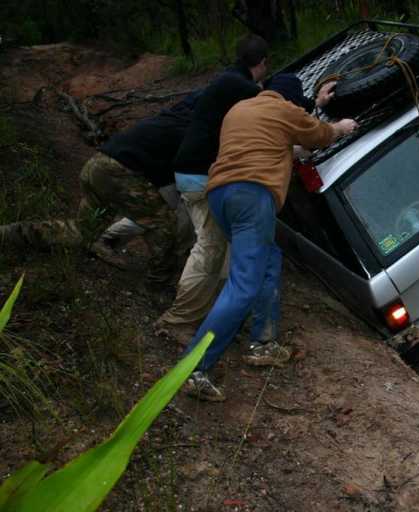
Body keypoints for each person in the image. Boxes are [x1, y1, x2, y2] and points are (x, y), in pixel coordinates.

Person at [182, 74, 358, 401]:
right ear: (290, 98)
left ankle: (262, 342)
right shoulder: (284, 109)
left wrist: (294, 151)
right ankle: (195, 367)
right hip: (252, 195)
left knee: (268, 259)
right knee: (243, 285)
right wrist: (341, 128)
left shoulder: (240, 110)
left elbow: (269, 148)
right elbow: (319, 135)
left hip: (220, 194)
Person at [153, 34, 337, 343]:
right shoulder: (245, 90)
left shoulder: (229, 81)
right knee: (211, 247)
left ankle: (221, 319)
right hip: (204, 175)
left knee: (226, 251)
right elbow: (281, 109)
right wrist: (317, 109)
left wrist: (312, 105)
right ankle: (179, 321)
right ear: (263, 63)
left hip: (195, 172)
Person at [0, 92, 200, 284]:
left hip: (98, 164)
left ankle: (9, 234)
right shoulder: (193, 132)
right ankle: (158, 284)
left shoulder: (177, 116)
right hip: (120, 171)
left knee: (81, 231)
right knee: (165, 226)